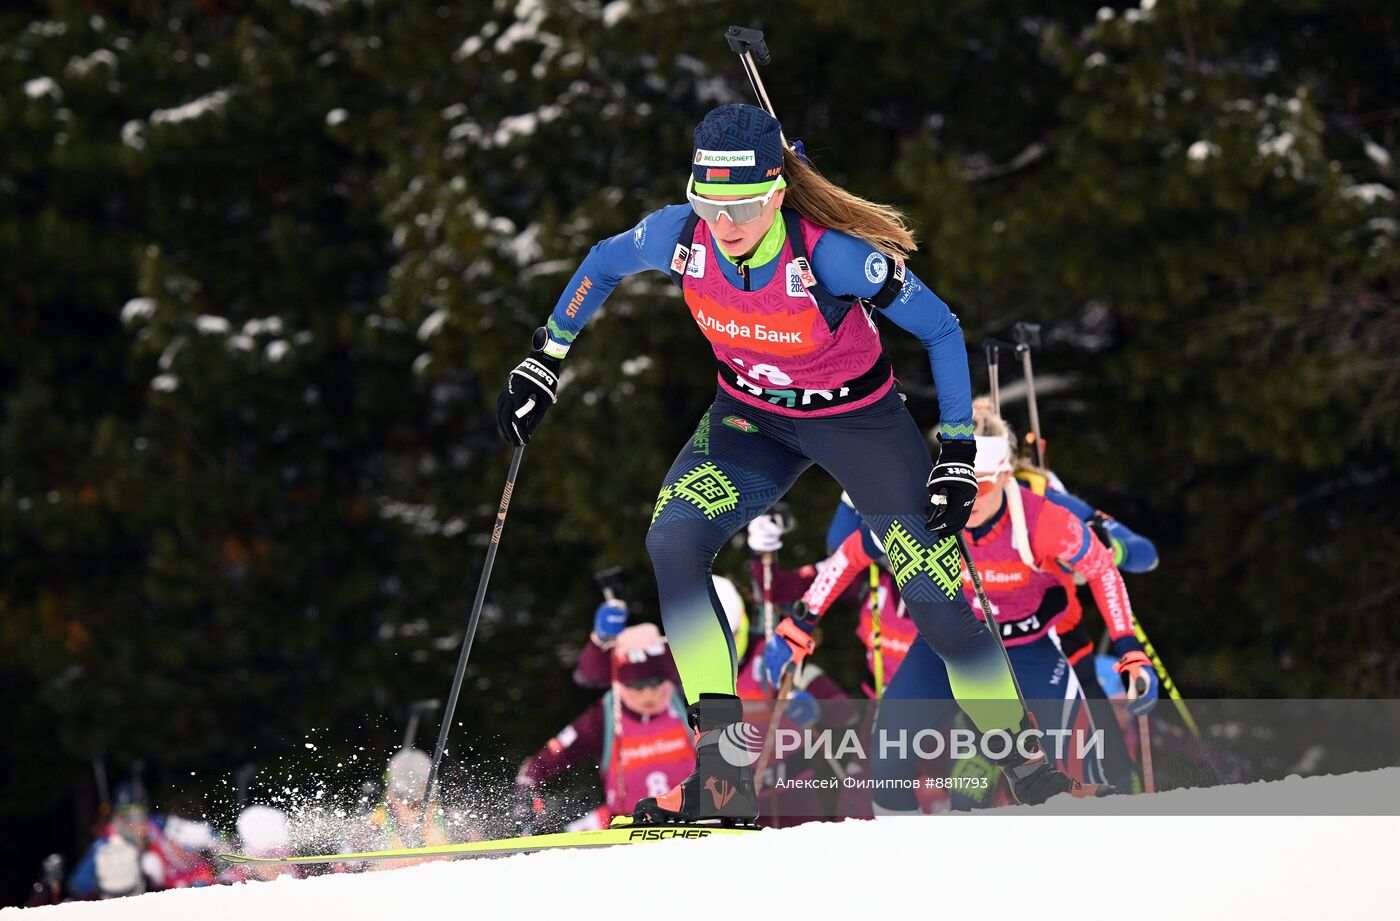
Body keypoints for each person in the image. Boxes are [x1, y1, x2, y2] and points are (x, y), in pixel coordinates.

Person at [498, 102, 1091, 822]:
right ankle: (723, 774)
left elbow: (941, 327)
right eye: (708, 204)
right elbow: (600, 262)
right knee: (672, 540)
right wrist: (545, 358)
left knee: (937, 603)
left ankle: (1023, 761)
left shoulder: (830, 255)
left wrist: (959, 448)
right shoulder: (680, 239)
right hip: (751, 420)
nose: (726, 224)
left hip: (859, 423)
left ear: (777, 192)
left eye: (743, 205)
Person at [517, 623, 693, 829]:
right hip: (623, 825)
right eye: (636, 686)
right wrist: (526, 787)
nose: (648, 694)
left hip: (692, 821)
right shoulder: (605, 715)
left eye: (656, 683)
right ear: (620, 684)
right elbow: (552, 755)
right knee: (563, 832)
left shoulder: (687, 701)